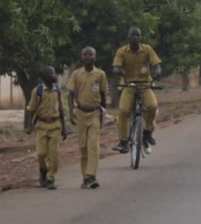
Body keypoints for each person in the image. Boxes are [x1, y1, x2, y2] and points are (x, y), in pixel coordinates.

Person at [113, 27, 162, 153]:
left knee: (152, 106)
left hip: (145, 85)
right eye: (133, 35)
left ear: (141, 37)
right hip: (128, 85)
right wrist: (119, 70)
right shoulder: (122, 51)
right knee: (123, 111)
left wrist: (157, 71)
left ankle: (147, 132)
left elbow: (156, 65)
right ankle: (123, 141)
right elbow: (116, 67)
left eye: (138, 35)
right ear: (128, 37)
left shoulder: (147, 49)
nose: (135, 37)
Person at [67, 47, 107, 189]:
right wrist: (71, 111)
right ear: (82, 57)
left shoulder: (100, 74)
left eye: (91, 54)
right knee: (83, 146)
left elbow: (103, 94)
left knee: (93, 145)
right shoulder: (76, 74)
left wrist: (103, 111)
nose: (88, 57)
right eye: (85, 54)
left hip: (95, 112)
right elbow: (70, 94)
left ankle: (92, 175)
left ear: (95, 58)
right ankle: (85, 177)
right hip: (81, 113)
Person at [26, 66, 67, 190]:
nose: (54, 75)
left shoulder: (57, 90)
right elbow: (31, 109)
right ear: (44, 77)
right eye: (51, 74)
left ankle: (50, 178)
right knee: (41, 153)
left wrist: (64, 128)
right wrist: (29, 126)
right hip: (42, 126)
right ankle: (43, 170)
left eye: (54, 73)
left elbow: (61, 110)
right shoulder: (37, 91)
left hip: (55, 126)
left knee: (53, 155)